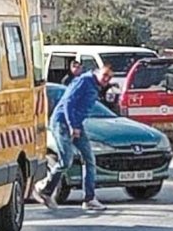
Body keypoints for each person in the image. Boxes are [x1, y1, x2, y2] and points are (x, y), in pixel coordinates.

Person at [34, 65, 115, 211]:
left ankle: (89, 198)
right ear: (97, 72)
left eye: (109, 77)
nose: (106, 79)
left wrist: (76, 126)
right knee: (66, 161)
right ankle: (45, 188)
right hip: (62, 123)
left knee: (90, 159)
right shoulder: (84, 81)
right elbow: (69, 103)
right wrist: (72, 126)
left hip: (77, 124)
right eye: (105, 75)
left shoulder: (95, 86)